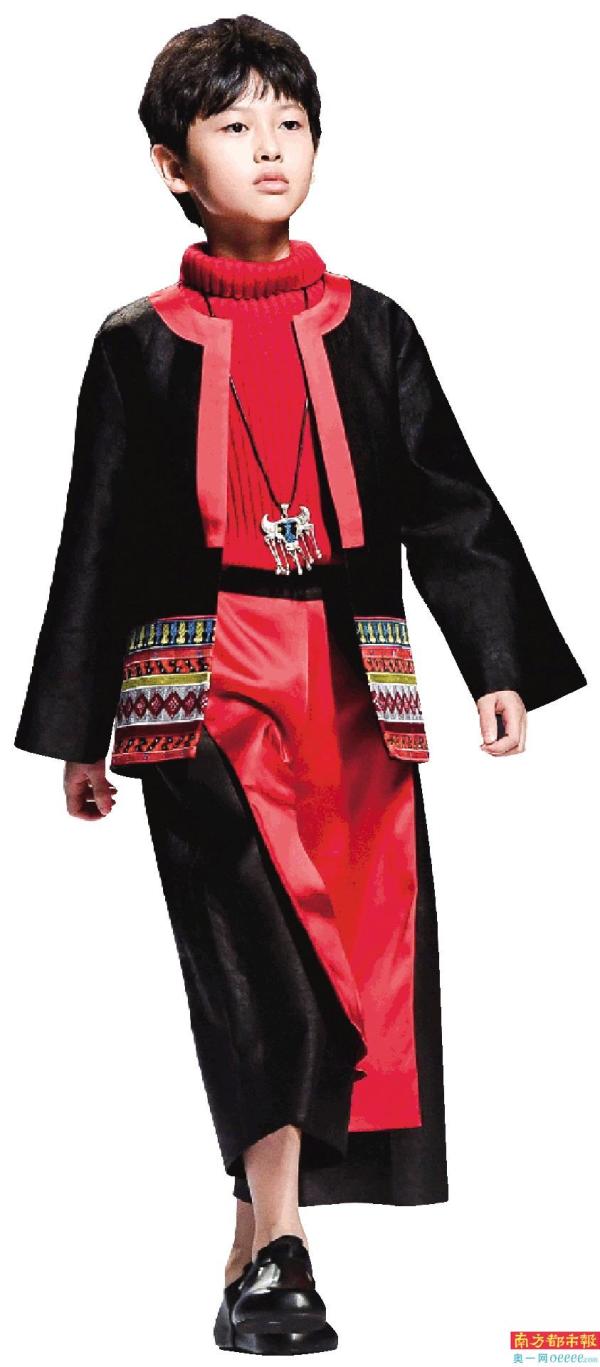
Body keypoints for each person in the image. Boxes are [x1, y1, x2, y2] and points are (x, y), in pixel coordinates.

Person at [13, 14, 587, 1356]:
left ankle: (253, 1238)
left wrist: (495, 662)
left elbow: (448, 503)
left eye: (291, 121)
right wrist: (77, 728)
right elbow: (97, 536)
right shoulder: (137, 343)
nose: (271, 146)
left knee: (349, 967)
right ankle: (285, 1249)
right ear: (172, 165)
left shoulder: (375, 328)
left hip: (352, 694)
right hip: (199, 692)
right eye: (234, 125)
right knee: (253, 964)